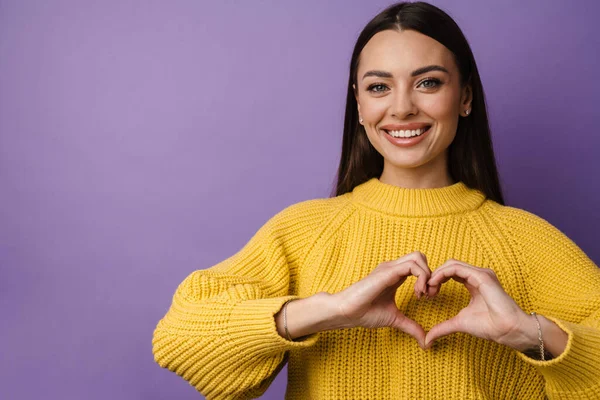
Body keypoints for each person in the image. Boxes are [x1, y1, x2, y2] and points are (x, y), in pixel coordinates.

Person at [151, 2, 600, 399]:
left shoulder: (528, 241)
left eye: (428, 82)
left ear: (464, 97)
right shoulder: (302, 231)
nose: (401, 108)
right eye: (379, 87)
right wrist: (330, 311)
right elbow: (178, 336)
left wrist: (529, 334)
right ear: (359, 104)